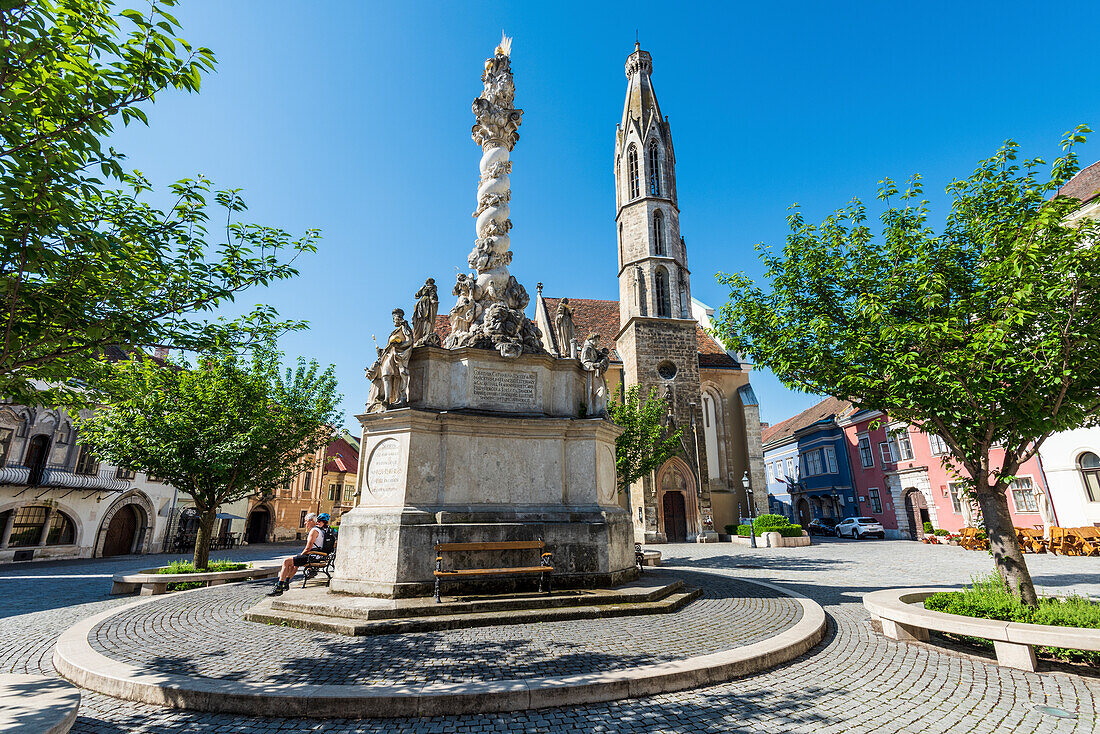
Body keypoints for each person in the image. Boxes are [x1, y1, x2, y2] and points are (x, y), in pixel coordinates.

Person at [267, 512, 331, 596]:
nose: (305, 523)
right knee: (295, 563)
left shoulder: (314, 531)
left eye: (306, 521)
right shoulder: (322, 530)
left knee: (286, 562)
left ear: (311, 521)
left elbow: (308, 548)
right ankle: (286, 583)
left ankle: (279, 586)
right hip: (318, 556)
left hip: (312, 557)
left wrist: (301, 555)